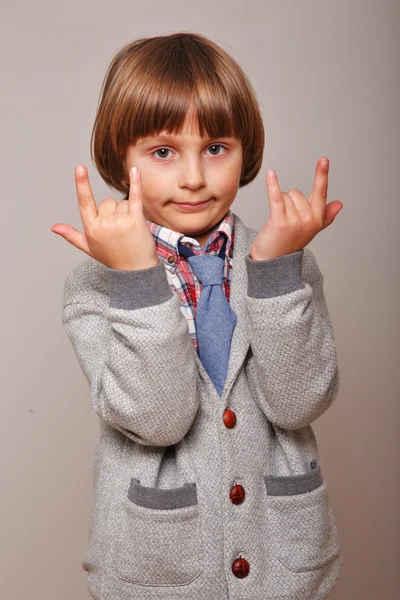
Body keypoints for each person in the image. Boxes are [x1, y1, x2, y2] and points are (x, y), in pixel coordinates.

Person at [51, 31, 344, 600]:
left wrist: (278, 274)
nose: (193, 177)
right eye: (163, 152)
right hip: (156, 566)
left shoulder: (285, 263)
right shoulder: (95, 283)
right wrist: (138, 280)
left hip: (283, 561)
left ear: (246, 151)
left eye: (215, 148)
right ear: (122, 158)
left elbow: (299, 402)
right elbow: (157, 419)